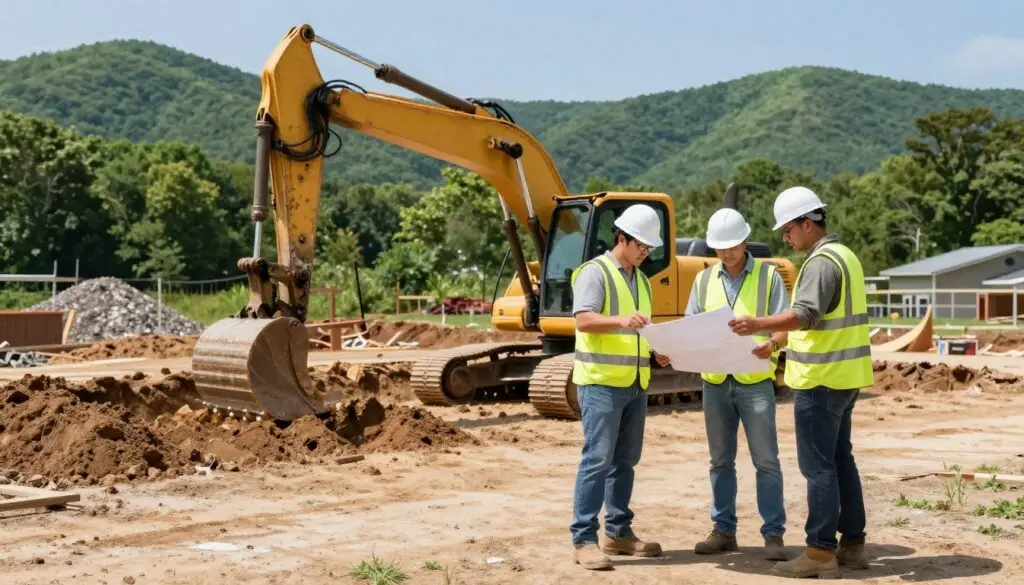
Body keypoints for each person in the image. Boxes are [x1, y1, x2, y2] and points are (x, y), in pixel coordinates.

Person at [728, 186, 873, 578]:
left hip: (821, 380)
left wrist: (758, 324)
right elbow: (824, 320)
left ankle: (820, 552)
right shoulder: (846, 257)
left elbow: (805, 314)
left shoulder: (822, 262)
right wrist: (775, 341)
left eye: (787, 230)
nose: (785, 238)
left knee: (818, 468)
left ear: (808, 224)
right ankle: (853, 545)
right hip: (845, 378)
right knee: (841, 460)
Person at [568, 203, 671, 570]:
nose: (646, 252)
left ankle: (618, 533)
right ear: (622, 238)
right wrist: (621, 321)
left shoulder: (642, 280)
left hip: (634, 382)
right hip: (601, 384)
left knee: (626, 461)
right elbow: (584, 320)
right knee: (597, 460)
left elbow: (639, 329)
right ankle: (584, 538)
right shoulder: (595, 273)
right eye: (641, 245)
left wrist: (657, 352)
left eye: (649, 247)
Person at [684, 208, 789, 561]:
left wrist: (772, 344)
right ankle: (723, 530)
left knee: (766, 461)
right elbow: (691, 326)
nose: (727, 253)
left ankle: (773, 535)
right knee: (719, 461)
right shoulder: (703, 280)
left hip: (754, 382)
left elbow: (784, 326)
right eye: (720, 248)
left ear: (745, 240)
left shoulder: (769, 277)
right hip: (715, 383)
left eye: (732, 246)